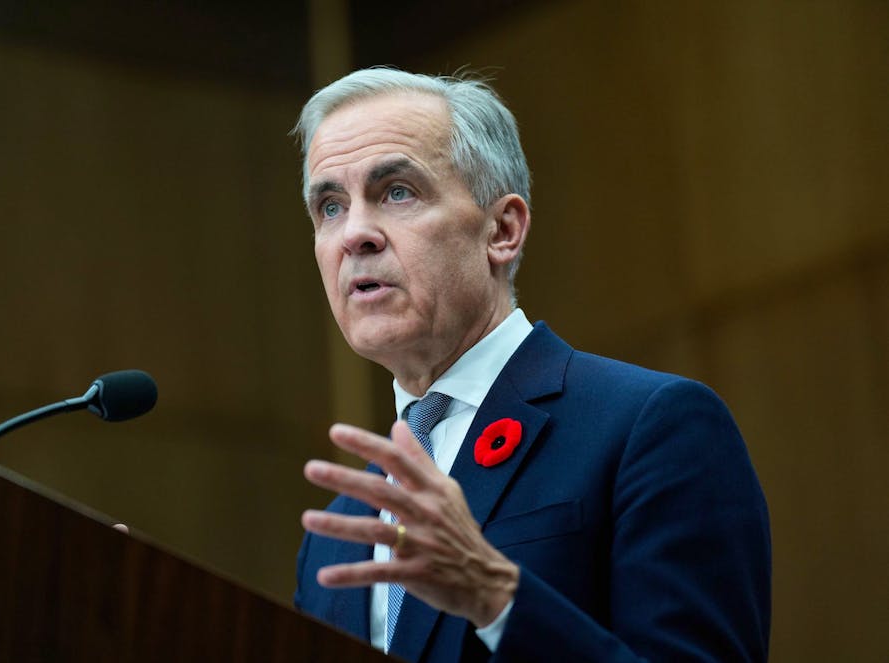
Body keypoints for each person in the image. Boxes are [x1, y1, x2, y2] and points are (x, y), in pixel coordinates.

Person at [291, 67, 770, 663]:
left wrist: (494, 594)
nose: (356, 233)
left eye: (397, 192)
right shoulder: (335, 537)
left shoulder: (650, 427)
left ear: (503, 230)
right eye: (330, 207)